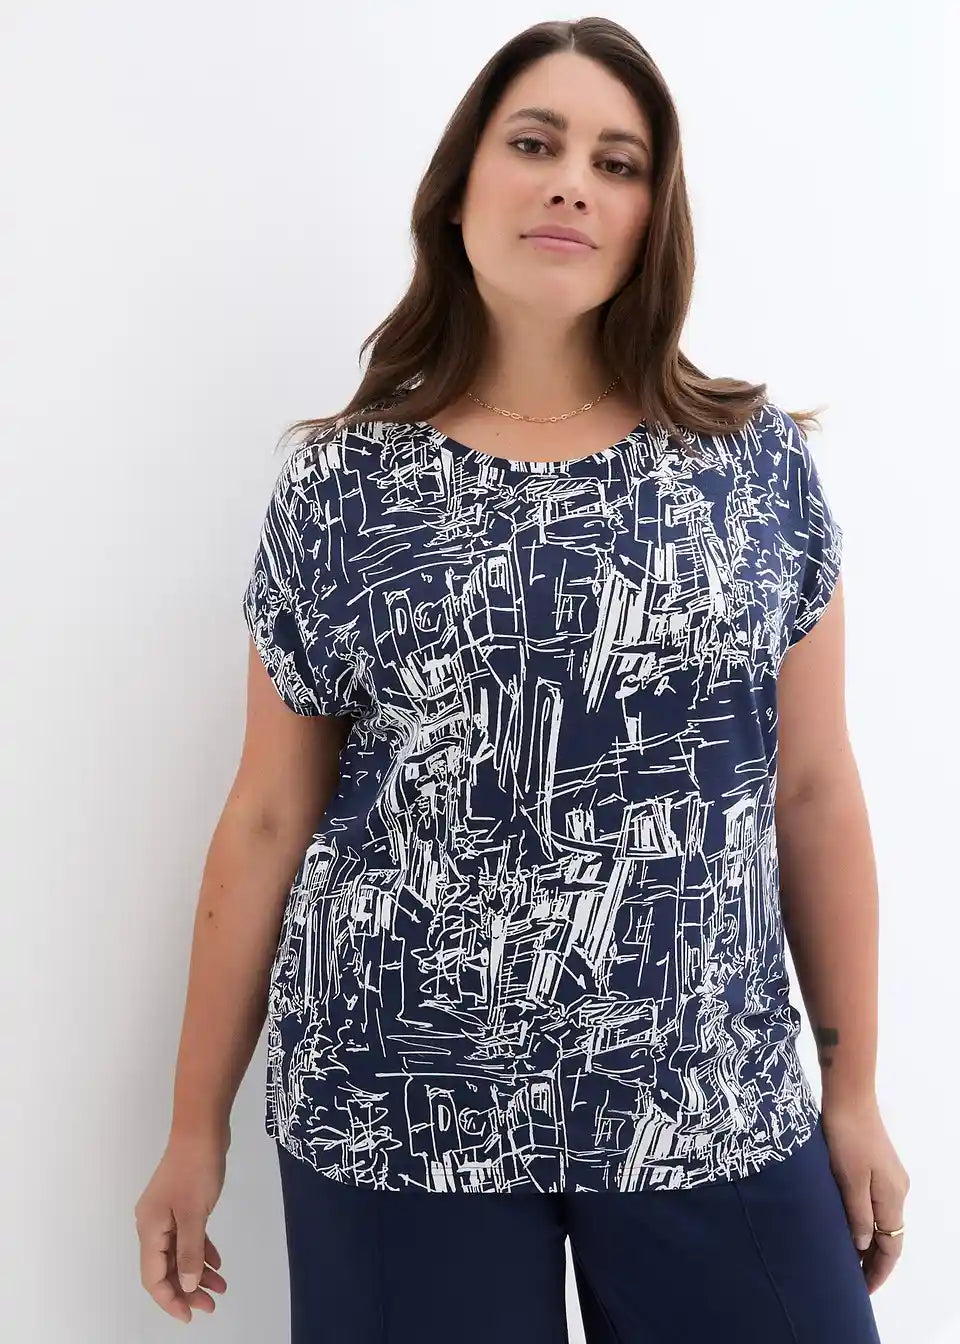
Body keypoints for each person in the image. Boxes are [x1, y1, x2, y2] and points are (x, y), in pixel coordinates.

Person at [134, 16, 909, 1342]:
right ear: (461, 189)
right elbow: (268, 815)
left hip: (703, 1101)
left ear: (654, 217)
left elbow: (816, 793)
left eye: (618, 162)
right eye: (536, 145)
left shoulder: (751, 467)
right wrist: (191, 1129)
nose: (572, 186)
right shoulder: (341, 485)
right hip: (395, 1109)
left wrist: (853, 1092)